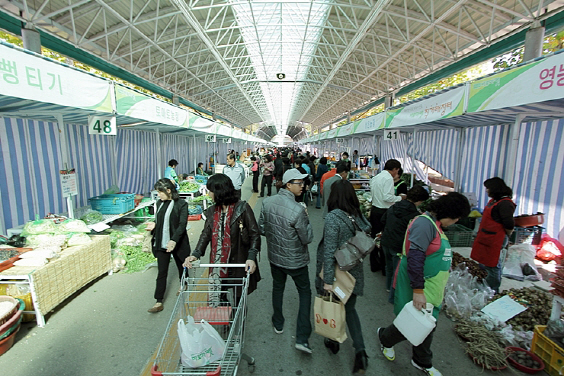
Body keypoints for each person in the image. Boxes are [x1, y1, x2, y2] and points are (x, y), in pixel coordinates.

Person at [378, 192, 470, 376]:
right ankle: (385, 338)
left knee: (425, 323)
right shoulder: (423, 224)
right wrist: (418, 290)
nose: (455, 221)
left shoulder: (435, 225)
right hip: (419, 284)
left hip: (431, 285)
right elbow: (415, 257)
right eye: (455, 218)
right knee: (413, 321)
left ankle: (420, 360)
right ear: (448, 213)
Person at [316, 179, 370, 373]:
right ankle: (361, 351)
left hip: (338, 273)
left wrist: (328, 280)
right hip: (354, 272)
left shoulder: (333, 218)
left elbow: (330, 250)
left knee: (333, 305)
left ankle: (332, 340)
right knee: (351, 310)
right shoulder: (357, 214)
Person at [259, 168, 314, 354]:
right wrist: (306, 217)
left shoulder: (267, 203)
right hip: (296, 261)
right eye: (300, 183)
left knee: (278, 287)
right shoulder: (298, 210)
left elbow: (262, 228)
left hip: (275, 258)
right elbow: (307, 238)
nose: (303, 186)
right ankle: (302, 337)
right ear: (288, 185)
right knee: (305, 293)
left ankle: (278, 322)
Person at [183, 174, 261, 305]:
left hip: (238, 261)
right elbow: (206, 234)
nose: (208, 194)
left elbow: (255, 234)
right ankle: (225, 322)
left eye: (210, 191)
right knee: (220, 297)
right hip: (218, 265)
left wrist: (251, 257)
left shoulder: (242, 208)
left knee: (239, 300)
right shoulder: (212, 211)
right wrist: (196, 254)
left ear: (219, 192)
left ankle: (237, 322)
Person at [145, 178, 191, 313]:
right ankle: (158, 301)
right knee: (161, 272)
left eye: (160, 192)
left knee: (181, 265)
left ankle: (184, 283)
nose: (158, 195)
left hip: (177, 242)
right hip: (162, 242)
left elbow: (182, 225)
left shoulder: (181, 204)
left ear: (168, 190)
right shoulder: (159, 203)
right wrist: (154, 225)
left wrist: (174, 240)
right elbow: (160, 221)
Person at [381, 186, 430, 301]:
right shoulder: (414, 215)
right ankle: (393, 296)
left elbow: (383, 220)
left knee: (389, 266)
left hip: (386, 240)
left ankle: (388, 287)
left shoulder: (394, 206)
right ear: (419, 201)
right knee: (396, 271)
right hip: (398, 244)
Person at [470, 177, 516, 293]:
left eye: (488, 188)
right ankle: (483, 284)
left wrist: (508, 235)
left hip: (495, 239)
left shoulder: (505, 204)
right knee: (483, 262)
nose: (486, 191)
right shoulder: (494, 201)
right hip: (485, 237)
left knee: (493, 264)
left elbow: (509, 224)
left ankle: (493, 289)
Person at [369, 159, 405, 273]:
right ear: (395, 169)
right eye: (397, 170)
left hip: (374, 209)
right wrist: (400, 198)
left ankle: (374, 264)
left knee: (374, 238)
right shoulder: (388, 178)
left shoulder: (376, 177)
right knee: (384, 239)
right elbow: (387, 198)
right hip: (383, 212)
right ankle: (385, 267)